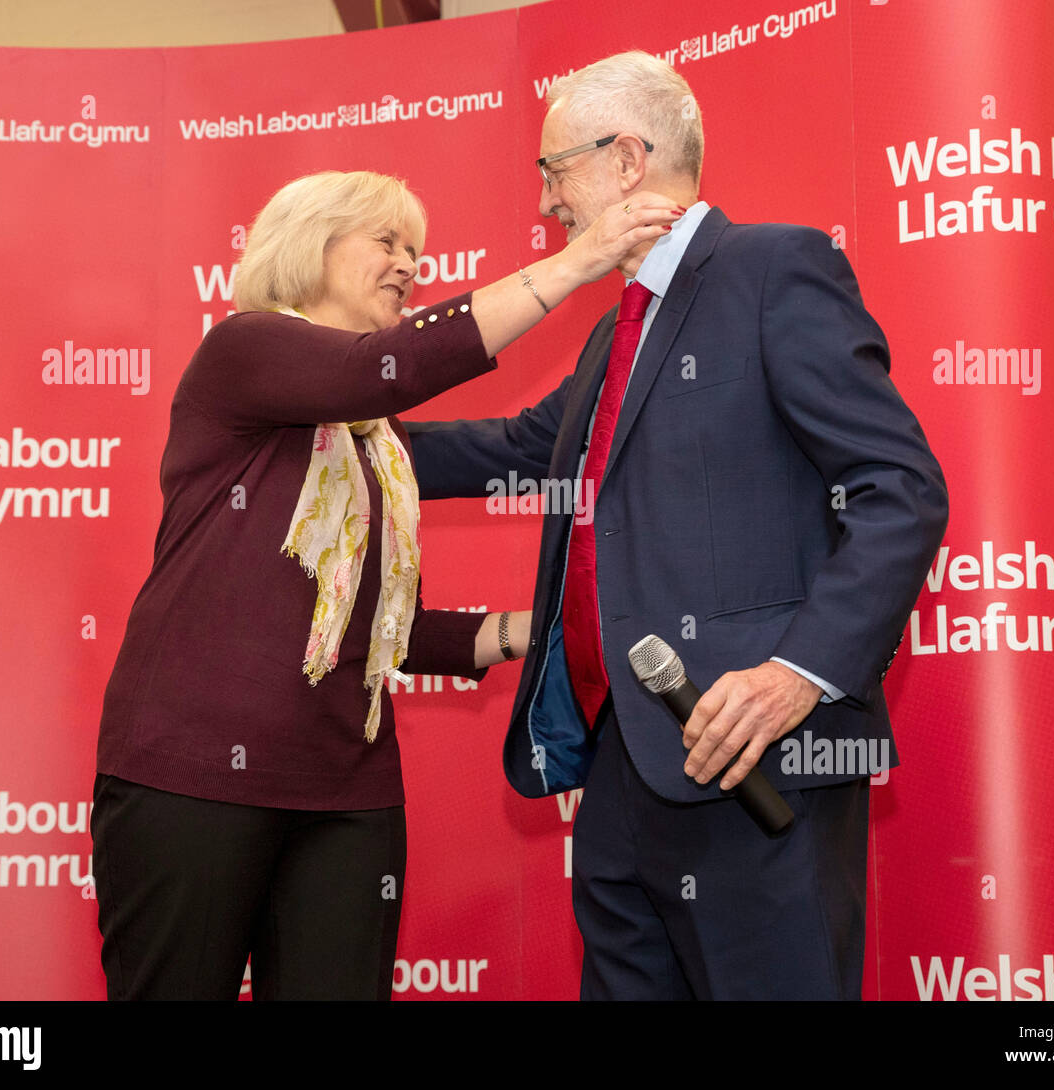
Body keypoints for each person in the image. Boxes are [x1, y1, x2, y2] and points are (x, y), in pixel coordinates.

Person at [406, 52, 949, 1000]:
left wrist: (796, 675)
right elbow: (517, 448)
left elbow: (898, 486)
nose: (544, 203)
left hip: (756, 757)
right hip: (623, 767)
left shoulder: (776, 268)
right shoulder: (619, 330)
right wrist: (334, 435)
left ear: (625, 159)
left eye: (553, 170)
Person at [90, 169, 682, 1000]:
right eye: (388, 242)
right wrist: (580, 260)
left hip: (348, 788)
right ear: (311, 246)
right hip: (194, 777)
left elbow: (380, 626)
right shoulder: (244, 349)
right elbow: (387, 368)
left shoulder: (378, 439)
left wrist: (537, 628)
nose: (410, 264)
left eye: (418, 250)